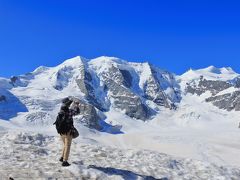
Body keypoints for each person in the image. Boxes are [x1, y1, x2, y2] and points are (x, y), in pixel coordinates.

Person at [54, 97, 75, 167]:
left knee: (65, 145)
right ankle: (65, 161)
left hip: (61, 132)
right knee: (68, 146)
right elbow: (77, 112)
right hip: (68, 132)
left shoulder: (61, 110)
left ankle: (62, 157)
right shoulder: (69, 112)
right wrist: (77, 106)